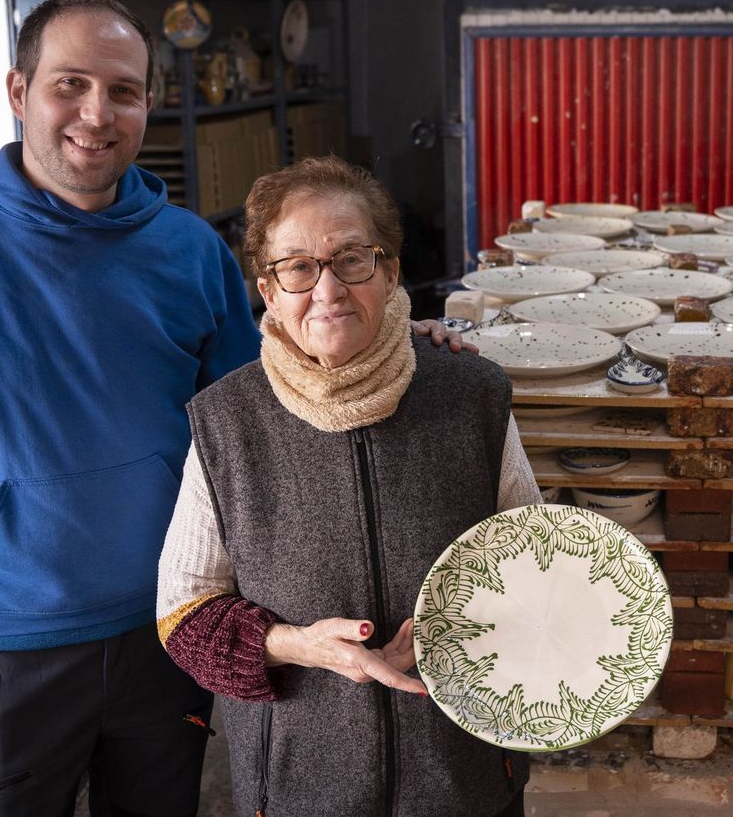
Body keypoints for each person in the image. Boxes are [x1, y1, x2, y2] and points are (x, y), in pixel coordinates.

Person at [0, 0, 467, 815]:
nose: (96, 113)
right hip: (3, 644)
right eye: (70, 84)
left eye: (123, 91)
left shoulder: (190, 253)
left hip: (173, 627)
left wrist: (400, 341)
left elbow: (271, 416)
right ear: (19, 92)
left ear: (147, 104)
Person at [156, 156, 541, 817]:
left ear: (389, 272)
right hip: (300, 787)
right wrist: (297, 646)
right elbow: (184, 619)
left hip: (465, 774)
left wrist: (461, 625)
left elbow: (539, 562)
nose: (327, 290)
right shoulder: (226, 423)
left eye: (352, 259)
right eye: (298, 266)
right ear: (268, 290)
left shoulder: (469, 395)